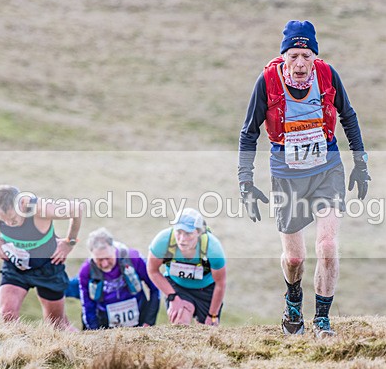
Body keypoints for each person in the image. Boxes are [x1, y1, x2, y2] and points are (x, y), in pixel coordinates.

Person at [238, 20, 370, 338]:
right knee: (295, 257)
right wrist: (246, 181)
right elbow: (249, 133)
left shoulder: (327, 75)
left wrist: (360, 164)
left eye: (306, 56)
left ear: (314, 57)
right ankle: (293, 302)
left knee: (326, 245)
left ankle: (322, 319)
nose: (300, 64)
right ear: (284, 56)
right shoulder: (267, 81)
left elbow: (348, 116)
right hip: (287, 175)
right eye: (294, 55)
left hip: (327, 169)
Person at [0, 185, 82, 330]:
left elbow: (77, 208)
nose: (8, 224)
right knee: (8, 315)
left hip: (47, 265)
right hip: (16, 265)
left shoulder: (41, 209)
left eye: (12, 219)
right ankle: (21, 350)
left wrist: (69, 242)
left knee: (57, 325)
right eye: (2, 219)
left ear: (22, 205)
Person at [66, 228, 160, 329]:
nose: (105, 264)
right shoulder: (86, 271)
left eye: (108, 258)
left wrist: (149, 321)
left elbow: (155, 287)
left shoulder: (134, 258)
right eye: (99, 260)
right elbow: (88, 307)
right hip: (104, 323)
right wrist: (95, 333)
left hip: (139, 319)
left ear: (113, 249)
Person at [146, 208, 226, 326]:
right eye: (179, 232)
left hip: (206, 289)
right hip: (177, 287)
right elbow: (152, 270)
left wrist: (212, 315)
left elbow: (220, 284)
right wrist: (172, 297)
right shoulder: (163, 241)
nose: (182, 239)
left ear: (198, 232)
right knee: (180, 323)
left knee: (207, 332)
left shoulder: (213, 248)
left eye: (188, 233)